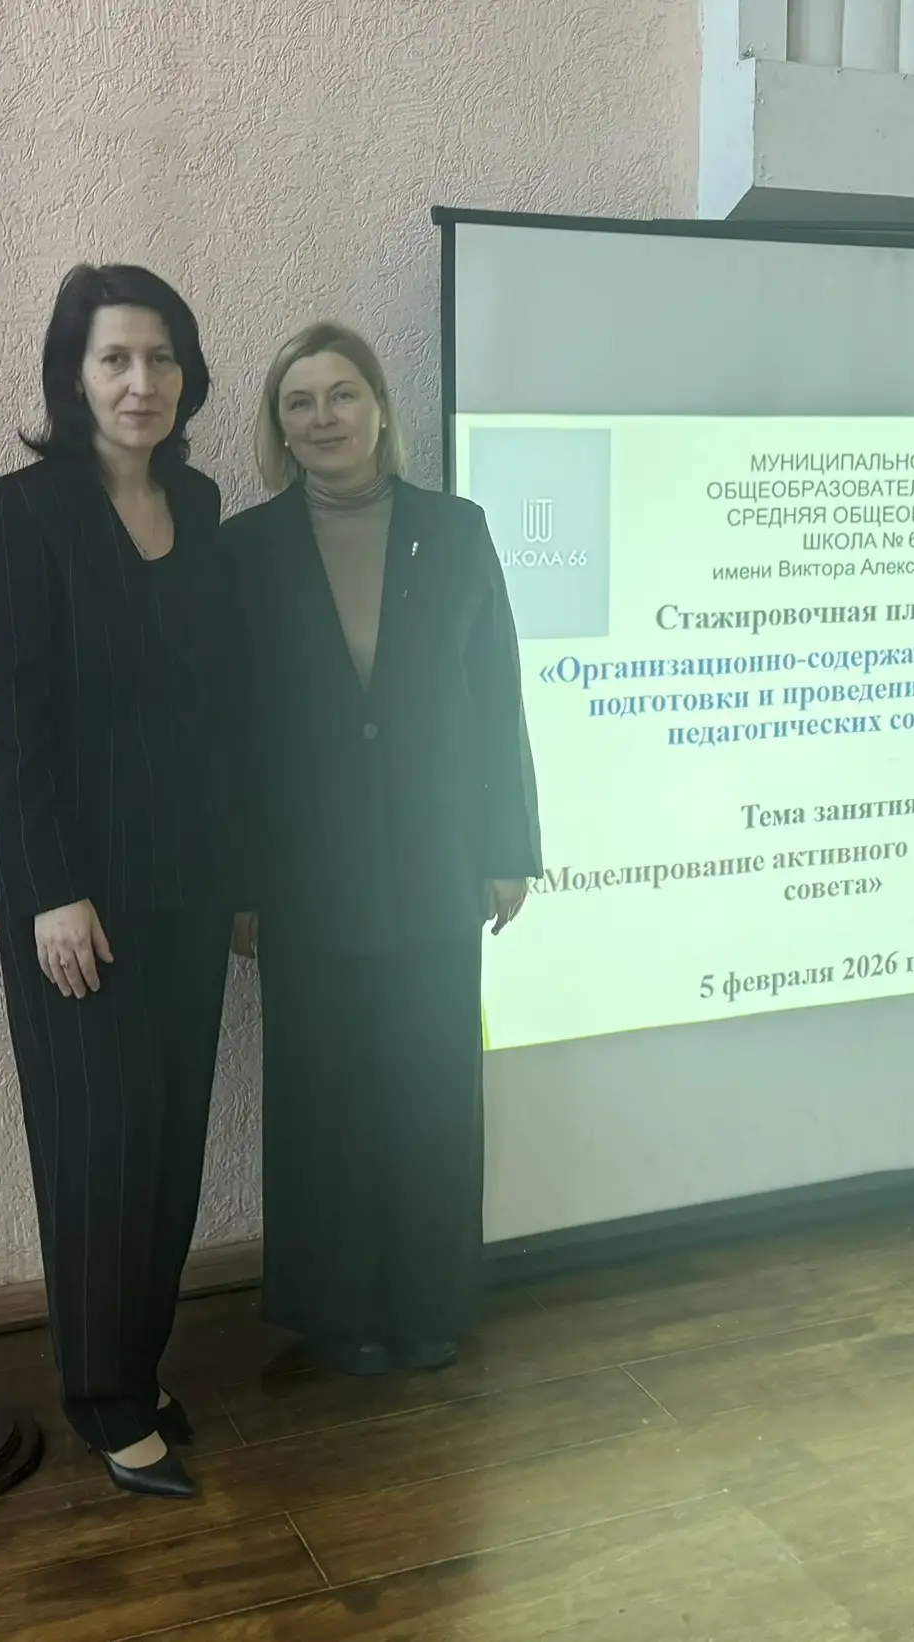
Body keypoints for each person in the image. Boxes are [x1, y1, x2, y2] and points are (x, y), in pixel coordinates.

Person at [217, 322, 540, 1377]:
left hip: (438, 867)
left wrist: (508, 849)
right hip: (303, 883)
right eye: (299, 402)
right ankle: (339, 1311)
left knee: (430, 1094)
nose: (323, 418)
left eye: (342, 394)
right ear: (278, 428)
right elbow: (232, 733)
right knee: (324, 1102)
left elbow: (496, 695)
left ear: (381, 409)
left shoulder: (456, 530)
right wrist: (240, 884)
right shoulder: (244, 550)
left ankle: (432, 1305)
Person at [0, 264, 230, 1498]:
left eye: (161, 357)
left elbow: (214, 712)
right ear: (73, 377)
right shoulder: (21, 515)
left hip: (188, 886)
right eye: (115, 357)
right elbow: (11, 726)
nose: (141, 381)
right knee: (99, 1153)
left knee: (169, 1146)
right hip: (77, 902)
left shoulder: (201, 501)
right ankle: (105, 1400)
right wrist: (48, 888)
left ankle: (140, 1364)